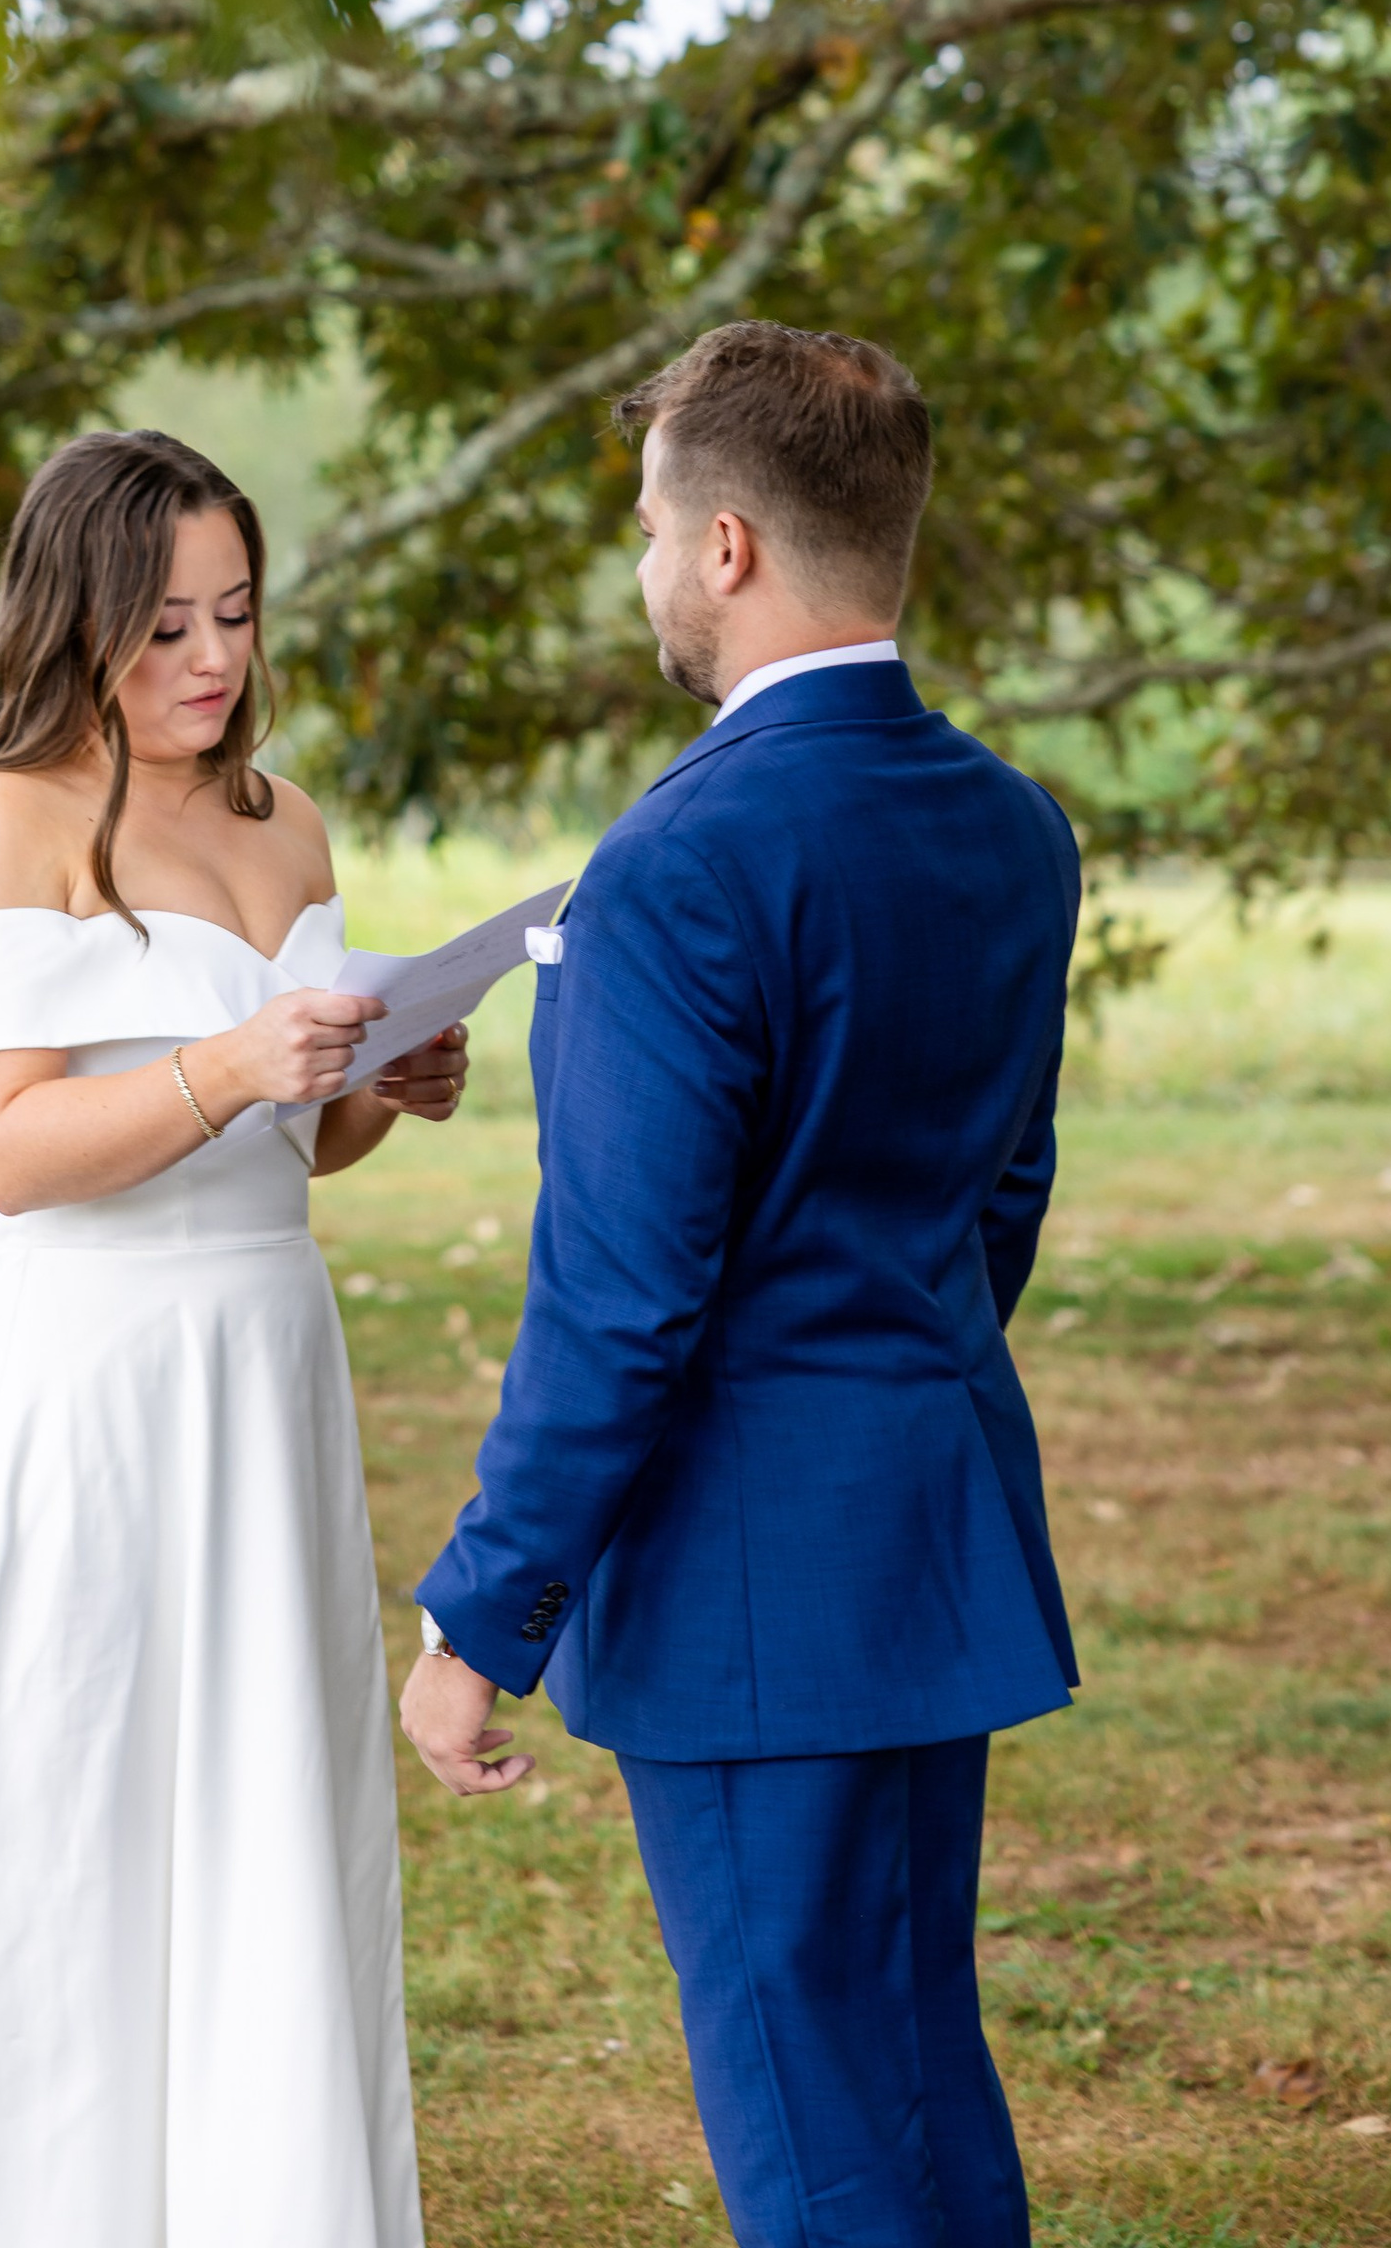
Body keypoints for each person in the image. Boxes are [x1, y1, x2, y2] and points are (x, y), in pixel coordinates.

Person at [0, 427, 459, 2248]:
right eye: (163, 629)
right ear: (73, 621)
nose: (210, 661)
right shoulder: (5, 821)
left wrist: (383, 1082)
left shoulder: (279, 820)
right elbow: (18, 1149)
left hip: (268, 1359)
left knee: (256, 1814)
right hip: (88, 1382)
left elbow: (300, 1140)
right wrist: (231, 1062)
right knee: (68, 1810)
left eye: (233, 615)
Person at [401, 322, 1079, 2248]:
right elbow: (998, 1200)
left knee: (811, 2115)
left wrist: (483, 1613)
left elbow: (622, 1305)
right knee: (919, 2061)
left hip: (747, 1590)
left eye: (643, 522)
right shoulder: (1014, 826)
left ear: (724, 547)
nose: (641, 566)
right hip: (925, 1533)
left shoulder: (672, 868)